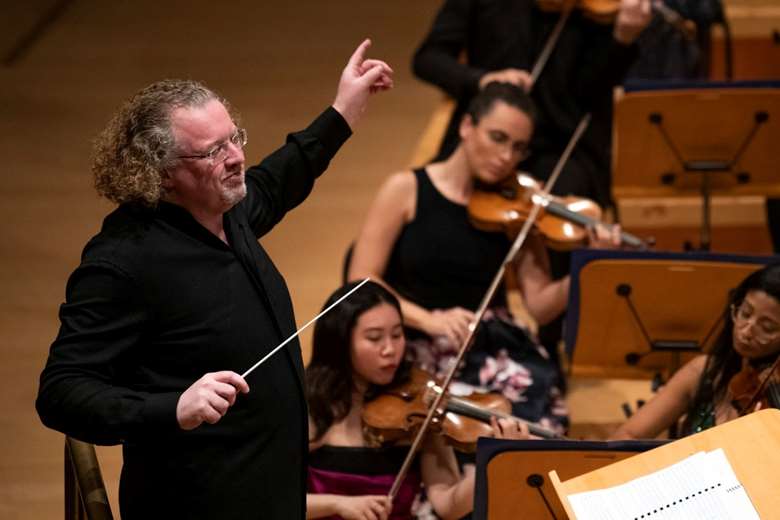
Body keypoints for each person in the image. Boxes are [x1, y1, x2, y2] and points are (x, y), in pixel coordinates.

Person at [35, 40, 392, 519]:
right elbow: (62, 392)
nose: (235, 157)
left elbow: (277, 180)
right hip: (201, 502)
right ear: (161, 175)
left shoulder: (224, 208)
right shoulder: (124, 261)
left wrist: (344, 110)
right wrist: (172, 408)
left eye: (234, 138)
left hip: (269, 493)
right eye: (212, 151)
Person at [348, 82, 619, 433]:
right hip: (414, 340)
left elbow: (540, 305)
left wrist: (587, 264)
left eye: (518, 147)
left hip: (491, 347)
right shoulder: (405, 190)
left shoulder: (518, 209)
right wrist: (429, 320)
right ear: (466, 126)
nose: (507, 156)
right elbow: (360, 280)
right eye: (498, 138)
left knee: (530, 425)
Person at [306, 280, 529, 520]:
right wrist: (337, 505)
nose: (390, 349)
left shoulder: (420, 405)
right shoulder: (309, 406)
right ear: (340, 342)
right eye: (374, 338)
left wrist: (492, 462)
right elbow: (270, 499)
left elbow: (447, 504)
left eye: (397, 334)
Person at [412, 0, 652, 209]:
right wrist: (481, 80)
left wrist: (622, 39)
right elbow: (428, 59)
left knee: (563, 209)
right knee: (434, 201)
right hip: (487, 130)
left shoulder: (596, 10)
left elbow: (592, 93)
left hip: (559, 144)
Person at [611, 263, 780, 440]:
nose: (745, 332)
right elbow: (627, 435)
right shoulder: (705, 370)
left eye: (767, 328)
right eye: (745, 313)